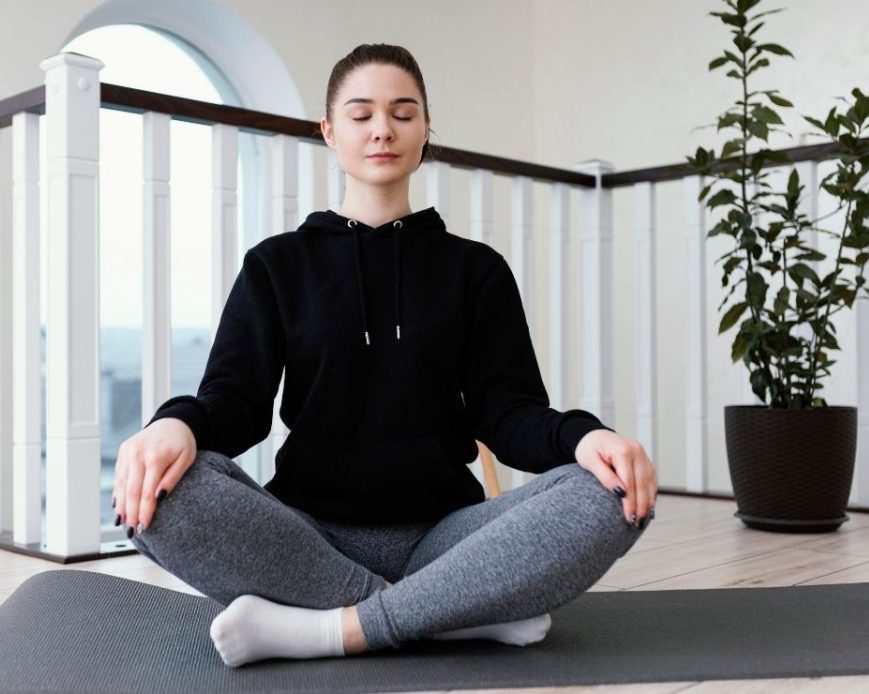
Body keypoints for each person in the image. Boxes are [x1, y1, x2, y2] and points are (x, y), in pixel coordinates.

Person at [114, 43, 657, 668]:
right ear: (329, 131)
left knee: (611, 493)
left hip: (445, 537)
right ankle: (451, 616)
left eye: (403, 113)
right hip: (306, 537)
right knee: (161, 493)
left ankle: (328, 629)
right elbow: (234, 406)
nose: (382, 129)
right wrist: (174, 424)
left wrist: (584, 438)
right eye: (361, 113)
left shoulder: (475, 270)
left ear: (426, 131)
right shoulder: (277, 264)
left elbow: (508, 414)